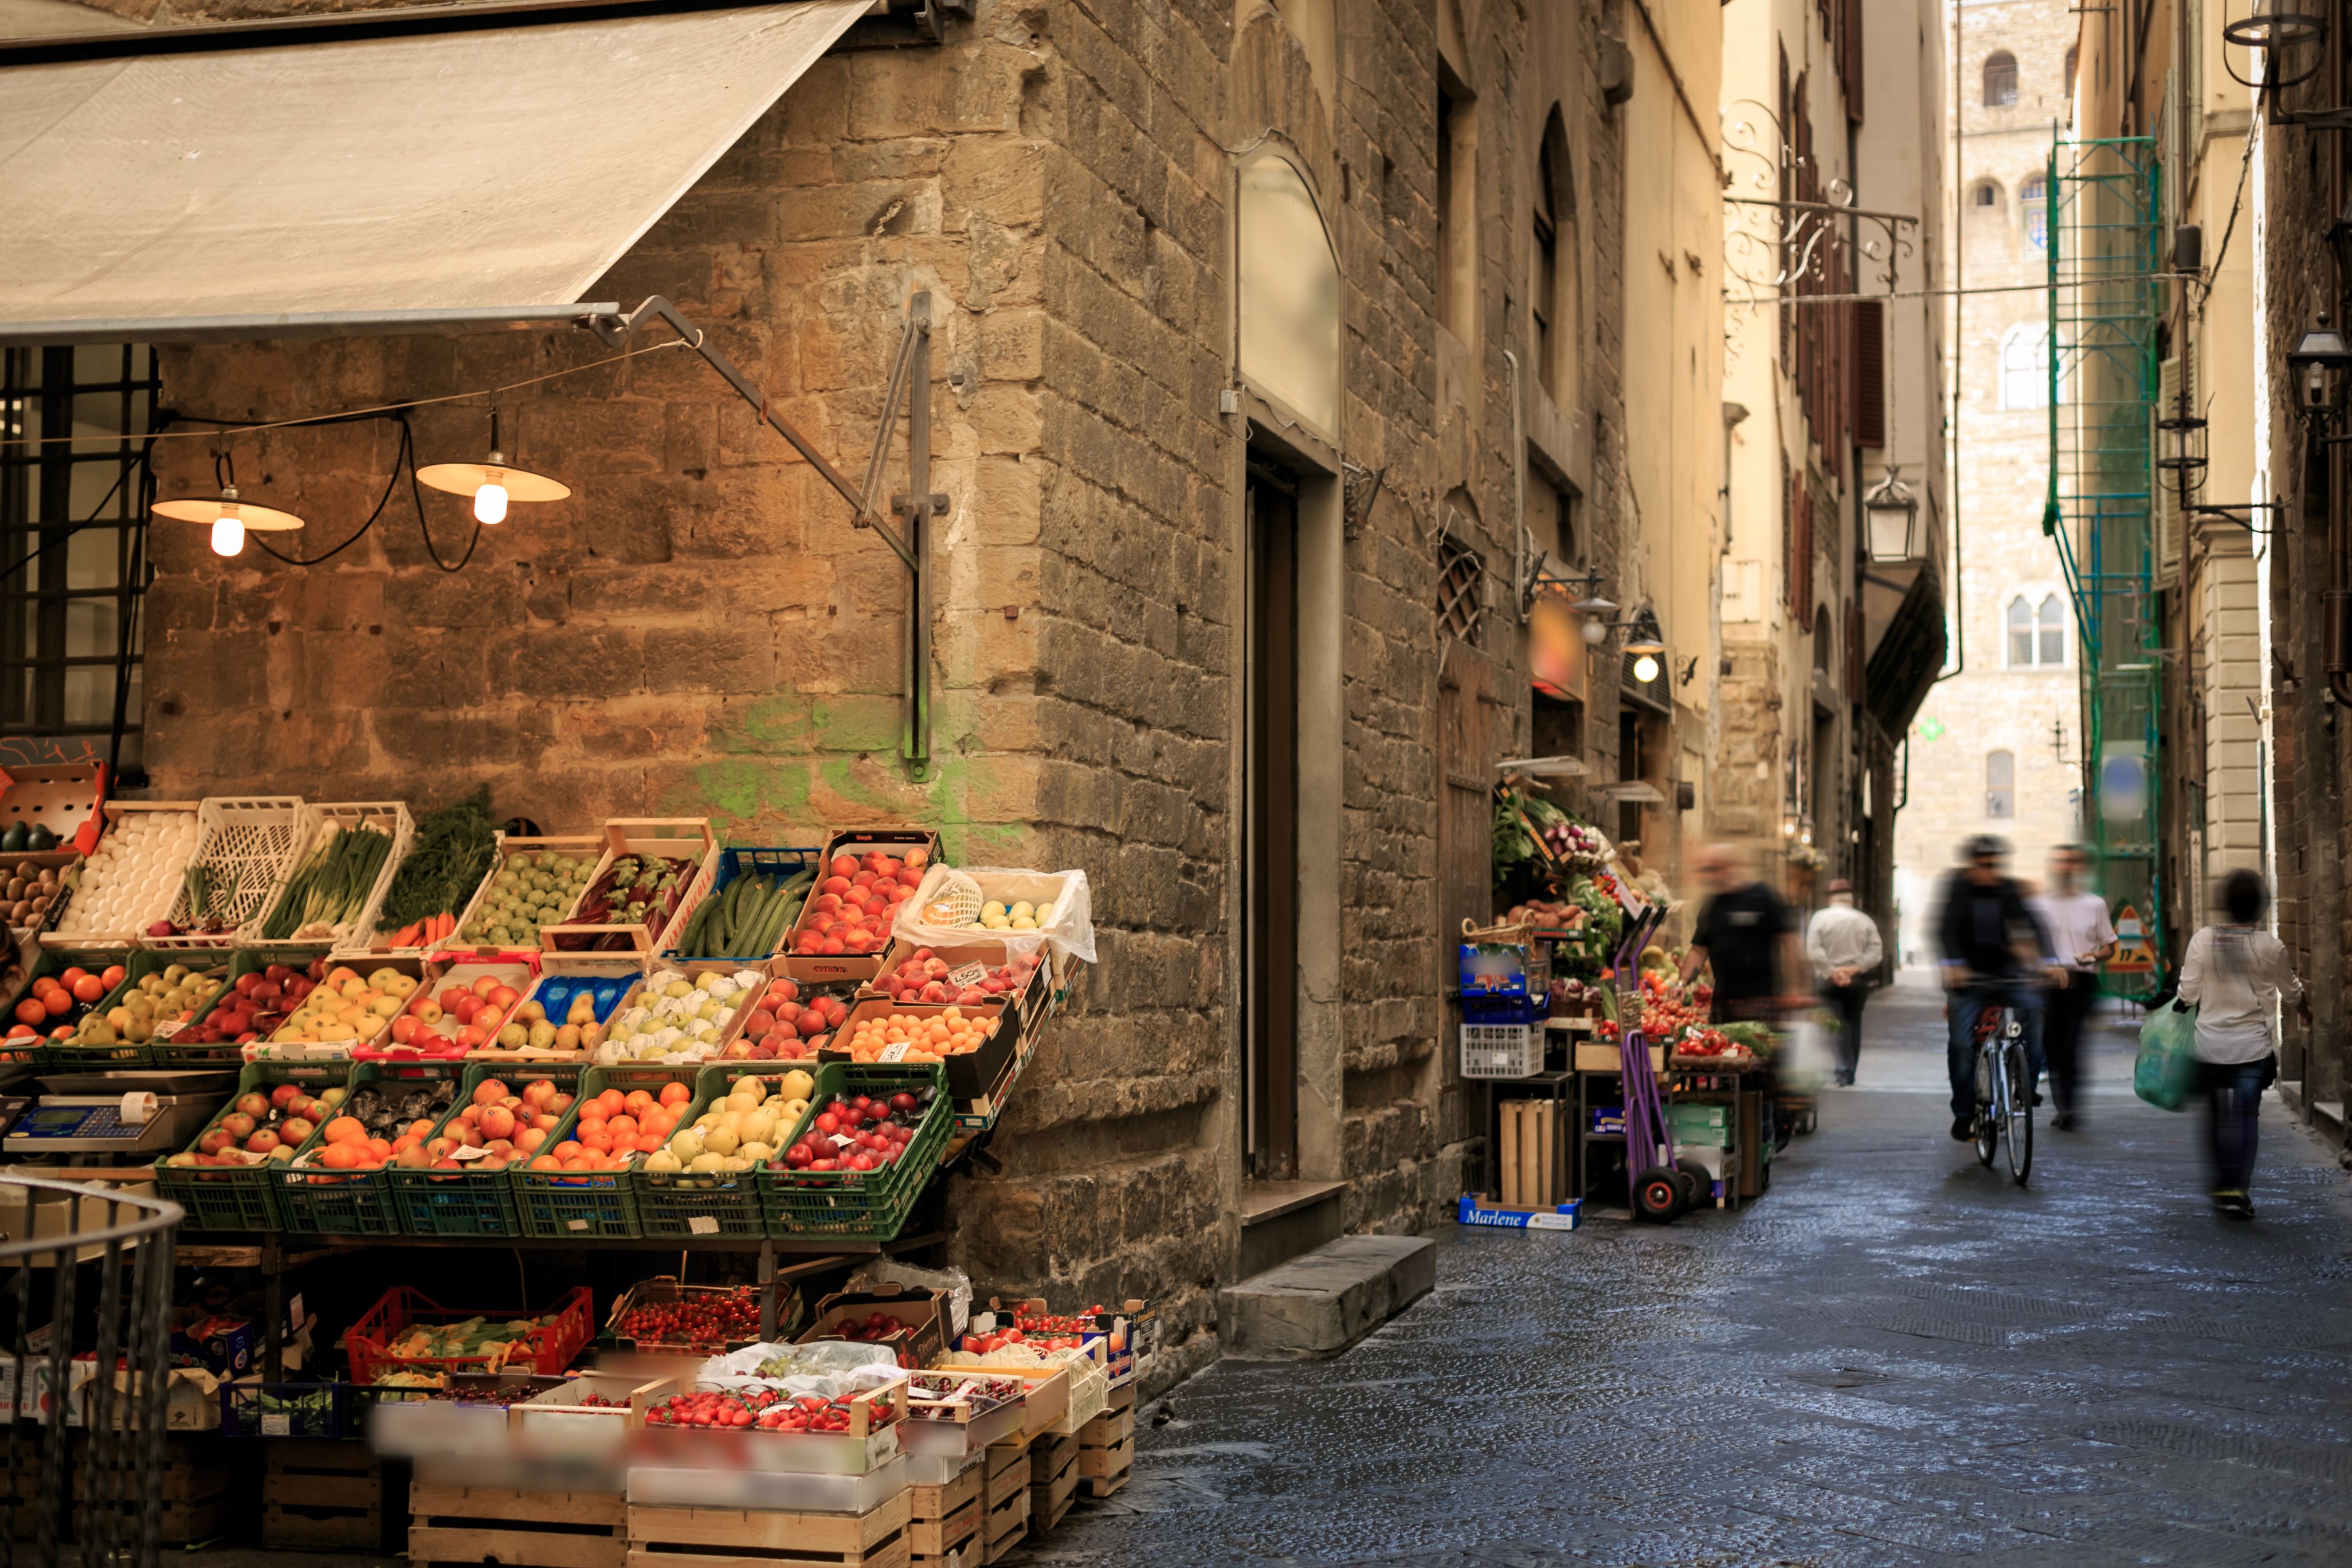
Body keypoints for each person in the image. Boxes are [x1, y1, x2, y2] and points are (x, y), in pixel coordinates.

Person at [2175, 869, 2308, 1218]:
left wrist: (2179, 1004)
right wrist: (2306, 1010)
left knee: (2216, 1115)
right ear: (2259, 908)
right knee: (2247, 1115)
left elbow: (2187, 993)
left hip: (2209, 1047)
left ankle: (2221, 1183)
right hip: (2251, 1049)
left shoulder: (2202, 940)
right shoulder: (2271, 945)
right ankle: (2237, 1189)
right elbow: (2291, 990)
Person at [1935, 835, 2060, 1143]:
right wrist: (1954, 964)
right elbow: (1945, 929)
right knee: (1962, 1044)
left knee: (2035, 1007)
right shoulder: (1958, 889)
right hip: (1967, 978)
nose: (1988, 870)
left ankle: (2025, 1082)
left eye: (1993, 864)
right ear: (1972, 864)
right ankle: (1964, 1115)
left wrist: (2047, 961)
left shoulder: (2007, 889)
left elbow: (2033, 923)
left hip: (2004, 972)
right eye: (1982, 864)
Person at [2030, 845, 2116, 1130]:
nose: (2066, 868)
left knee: (2072, 1044)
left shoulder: (2095, 904)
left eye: (2071, 863)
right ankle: (2062, 1106)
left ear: (2079, 869)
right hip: (2049, 983)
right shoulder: (2039, 905)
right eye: (2061, 863)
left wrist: (2095, 956)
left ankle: (2071, 1108)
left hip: (2081, 981)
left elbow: (2110, 947)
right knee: (2051, 1047)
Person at [1680, 844, 1808, 1020]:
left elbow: (1790, 943)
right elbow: (1698, 951)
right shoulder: (1711, 906)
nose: (1710, 875)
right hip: (1724, 1005)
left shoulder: (1763, 897)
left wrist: (1796, 989)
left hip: (1761, 1004)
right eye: (1708, 870)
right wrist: (1682, 983)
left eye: (1715, 868)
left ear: (1732, 867)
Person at [1805, 878, 1884, 1086]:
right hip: (1856, 980)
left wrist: (1832, 972)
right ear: (1851, 899)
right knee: (1853, 1024)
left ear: (1831, 899)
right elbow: (1876, 953)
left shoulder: (1820, 918)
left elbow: (1813, 950)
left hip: (1827, 981)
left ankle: (1841, 1070)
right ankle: (1849, 1070)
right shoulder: (1864, 920)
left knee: (1835, 1024)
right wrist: (1854, 968)